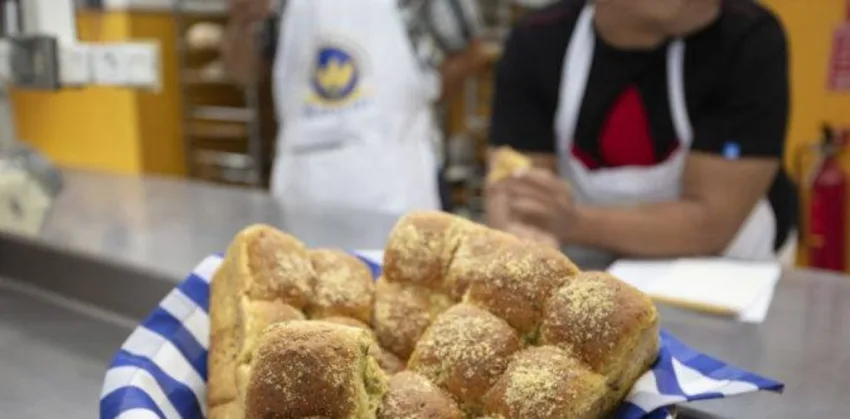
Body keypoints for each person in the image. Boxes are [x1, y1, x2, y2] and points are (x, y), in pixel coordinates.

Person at [487, 0, 797, 267]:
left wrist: (573, 223)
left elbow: (711, 224)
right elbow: (520, 195)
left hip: (729, 275)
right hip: (588, 269)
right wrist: (521, 223)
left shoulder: (747, 38)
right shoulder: (538, 41)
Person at [223, 0, 484, 223]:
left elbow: (470, 53)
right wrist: (242, 23)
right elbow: (242, 74)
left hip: (394, 178)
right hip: (303, 182)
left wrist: (425, 93)